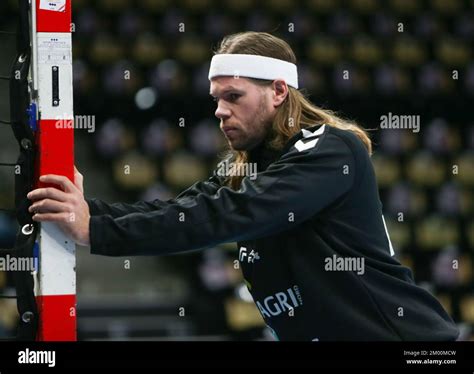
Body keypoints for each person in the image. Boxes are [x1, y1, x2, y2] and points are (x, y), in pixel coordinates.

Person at [26, 32, 459, 341]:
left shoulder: (332, 150)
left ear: (277, 91)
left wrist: (96, 231)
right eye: (215, 98)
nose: (219, 111)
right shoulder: (244, 166)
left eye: (233, 97)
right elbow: (181, 209)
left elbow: (229, 214)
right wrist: (90, 212)